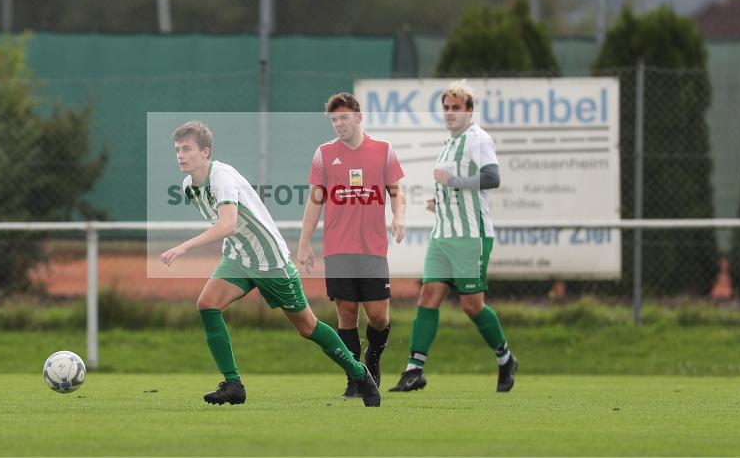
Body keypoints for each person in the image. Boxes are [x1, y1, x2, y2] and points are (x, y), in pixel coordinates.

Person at [161, 121, 380, 406]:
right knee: (207, 304)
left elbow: (228, 224)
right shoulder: (189, 186)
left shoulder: (222, 177)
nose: (180, 154)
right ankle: (233, 384)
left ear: (205, 152)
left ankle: (360, 374)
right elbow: (231, 228)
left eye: (187, 149)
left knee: (308, 328)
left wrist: (184, 247)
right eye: (177, 149)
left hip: (270, 261)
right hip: (238, 258)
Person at [388, 80, 518, 393]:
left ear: (469, 111)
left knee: (472, 306)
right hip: (443, 233)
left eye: (456, 108)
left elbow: (492, 177)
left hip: (470, 236)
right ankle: (414, 369)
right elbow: (454, 189)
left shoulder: (477, 139)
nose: (449, 113)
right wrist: (442, 202)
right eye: (446, 108)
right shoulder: (449, 143)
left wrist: (454, 181)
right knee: (428, 296)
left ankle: (505, 358)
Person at [297, 93, 406, 398]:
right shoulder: (324, 154)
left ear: (358, 117)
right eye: (333, 119)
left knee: (378, 317)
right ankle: (355, 377)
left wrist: (399, 215)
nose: (338, 124)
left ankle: (373, 358)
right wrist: (304, 243)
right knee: (346, 315)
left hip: (372, 248)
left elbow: (396, 191)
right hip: (338, 247)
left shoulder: (383, 151)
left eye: (344, 118)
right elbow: (315, 201)